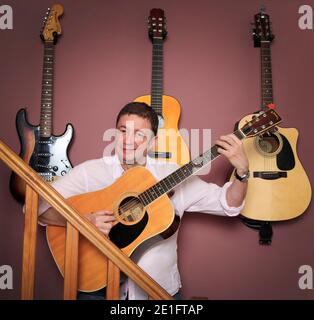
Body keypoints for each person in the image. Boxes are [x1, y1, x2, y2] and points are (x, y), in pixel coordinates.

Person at [38, 102, 249, 300]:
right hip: (94, 289)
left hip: (158, 291)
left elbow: (227, 204)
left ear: (153, 141)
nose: (128, 140)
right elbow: (38, 209)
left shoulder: (172, 173)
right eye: (123, 131)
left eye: (139, 134)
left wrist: (242, 172)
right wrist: (82, 222)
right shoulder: (89, 171)